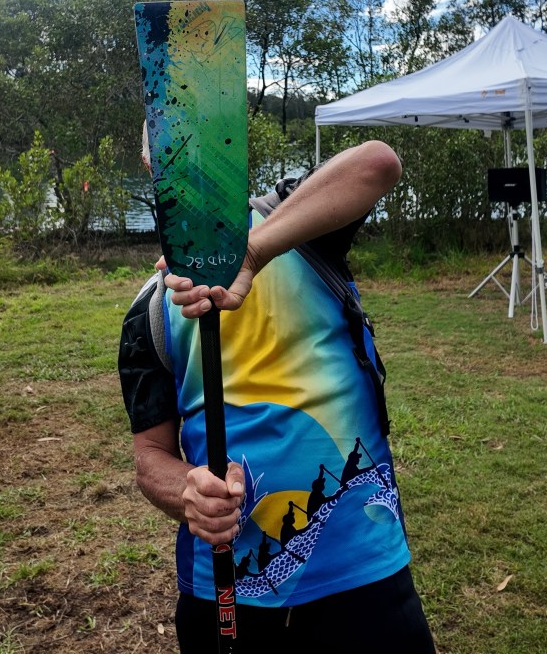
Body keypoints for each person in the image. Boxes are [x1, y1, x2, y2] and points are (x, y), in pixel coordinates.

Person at [118, 138, 436, 653]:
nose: (189, 160)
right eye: (169, 143)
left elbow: (377, 163)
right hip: (224, 591)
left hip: (366, 572)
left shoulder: (298, 224)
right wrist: (188, 493)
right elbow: (150, 457)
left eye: (204, 135)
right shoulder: (149, 311)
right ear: (149, 165)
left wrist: (252, 252)